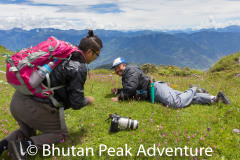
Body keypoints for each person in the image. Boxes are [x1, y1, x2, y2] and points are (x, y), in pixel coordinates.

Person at [0, 30, 103, 159]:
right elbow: (76, 103)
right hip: (32, 108)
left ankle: (2, 146)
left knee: (27, 132)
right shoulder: (78, 67)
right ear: (89, 52)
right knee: (61, 134)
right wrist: (87, 100)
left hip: (17, 101)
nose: (95, 59)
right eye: (96, 55)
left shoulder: (63, 53)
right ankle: (24, 147)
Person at [110, 57, 231, 107]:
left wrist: (121, 98)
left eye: (118, 67)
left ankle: (193, 89)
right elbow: (133, 86)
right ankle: (215, 99)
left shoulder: (130, 70)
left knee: (175, 103)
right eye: (115, 68)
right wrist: (120, 90)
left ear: (124, 65)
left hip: (155, 89)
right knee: (183, 97)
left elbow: (131, 87)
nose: (116, 70)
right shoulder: (127, 74)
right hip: (156, 89)